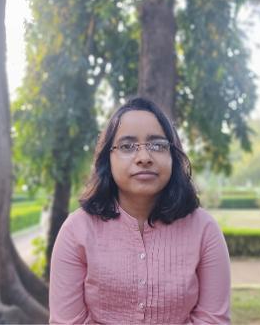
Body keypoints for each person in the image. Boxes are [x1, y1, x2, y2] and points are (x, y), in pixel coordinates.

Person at [49, 97, 231, 324]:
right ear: (108, 158)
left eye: (157, 145)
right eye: (127, 146)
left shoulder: (204, 230)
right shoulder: (77, 230)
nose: (144, 158)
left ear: (172, 156)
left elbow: (212, 319)